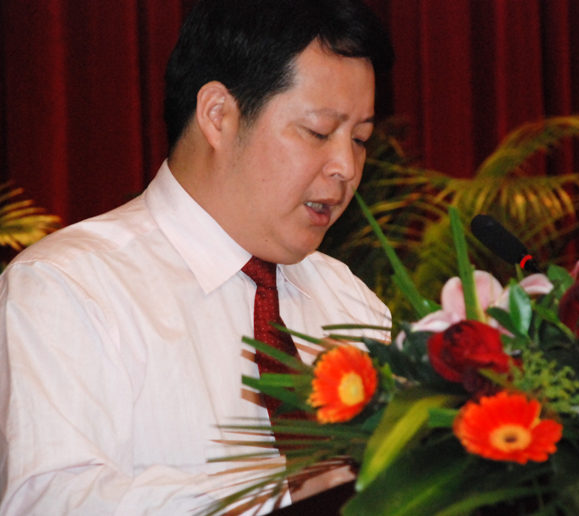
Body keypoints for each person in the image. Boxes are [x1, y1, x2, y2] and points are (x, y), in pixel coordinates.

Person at [0, 0, 393, 514]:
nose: (346, 166)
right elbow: (48, 500)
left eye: (359, 139)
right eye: (319, 132)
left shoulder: (350, 303)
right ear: (218, 115)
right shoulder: (68, 287)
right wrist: (284, 494)